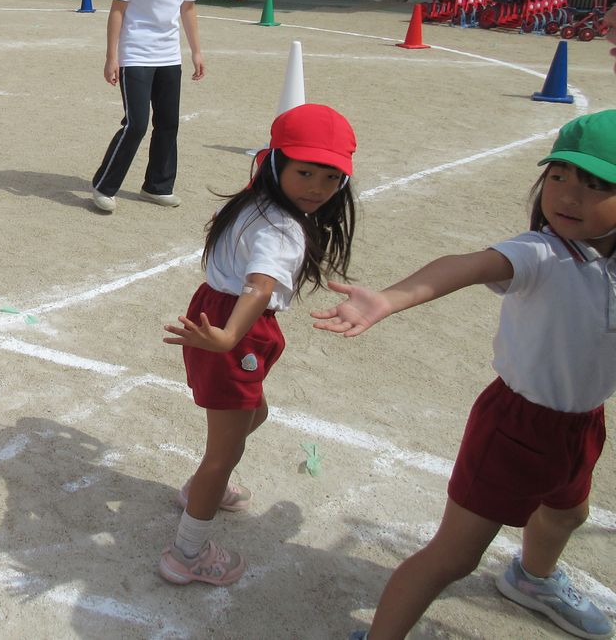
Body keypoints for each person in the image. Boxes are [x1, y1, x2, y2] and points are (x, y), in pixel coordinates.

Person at [318, 111, 616, 640]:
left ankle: (532, 578)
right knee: (452, 557)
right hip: (516, 429)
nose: (569, 195)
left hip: (581, 423)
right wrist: (388, 298)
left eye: (597, 185)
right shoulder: (543, 252)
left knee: (568, 513)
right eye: (560, 176)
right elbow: (466, 265)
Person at [158, 104, 357, 586]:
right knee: (221, 455)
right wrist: (228, 337)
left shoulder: (254, 202)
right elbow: (260, 286)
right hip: (234, 327)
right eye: (304, 172)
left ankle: (208, 486)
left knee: (254, 413)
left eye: (330, 178)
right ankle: (187, 552)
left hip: (224, 317)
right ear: (276, 163)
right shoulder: (281, 226)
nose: (316, 187)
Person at [90, 0, 204, 213]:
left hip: (169, 56)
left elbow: (188, 9)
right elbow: (117, 11)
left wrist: (196, 51)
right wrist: (112, 57)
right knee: (137, 123)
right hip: (136, 54)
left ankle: (157, 186)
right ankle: (104, 186)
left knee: (168, 122)